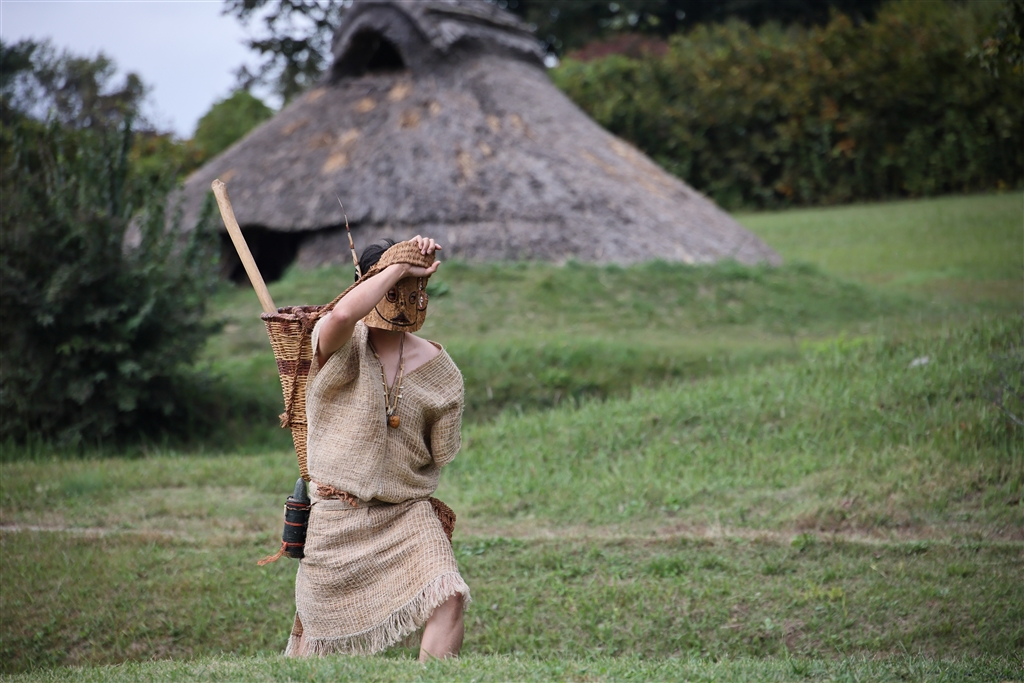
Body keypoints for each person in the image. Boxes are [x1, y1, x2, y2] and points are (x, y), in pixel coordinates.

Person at [285, 235, 469, 661]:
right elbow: (344, 312)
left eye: (412, 287)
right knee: (319, 638)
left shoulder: (440, 369)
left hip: (405, 513)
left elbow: (443, 451)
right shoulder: (337, 341)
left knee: (449, 595)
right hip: (335, 514)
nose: (402, 298)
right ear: (365, 284)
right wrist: (399, 264)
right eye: (391, 286)